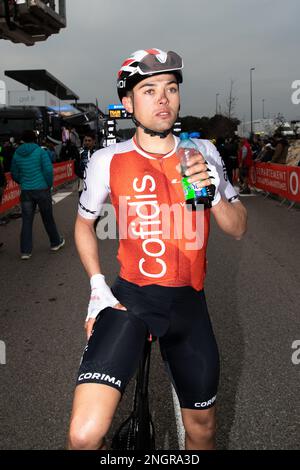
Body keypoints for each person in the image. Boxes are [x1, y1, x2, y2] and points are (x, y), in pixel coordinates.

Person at [68, 48, 247, 451]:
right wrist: (97, 288)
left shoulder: (204, 152)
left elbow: (237, 229)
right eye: (149, 90)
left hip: (189, 306)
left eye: (170, 88)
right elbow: (82, 225)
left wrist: (212, 190)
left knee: (202, 430)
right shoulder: (106, 159)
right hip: (131, 301)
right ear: (129, 103)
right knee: (84, 435)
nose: (163, 98)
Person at [10, 130, 65, 259]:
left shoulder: (17, 154)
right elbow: (48, 170)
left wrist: (22, 181)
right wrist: (48, 184)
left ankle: (25, 251)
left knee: (27, 221)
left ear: (22, 139)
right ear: (35, 139)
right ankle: (55, 242)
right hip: (41, 189)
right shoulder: (40, 152)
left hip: (26, 191)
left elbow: (14, 173)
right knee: (47, 218)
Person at [74, 131, 96, 197]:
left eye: (89, 140)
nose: (87, 142)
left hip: (95, 183)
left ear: (94, 141)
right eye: (85, 140)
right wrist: (83, 176)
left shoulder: (98, 152)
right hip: (82, 182)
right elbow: (76, 167)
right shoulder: (80, 152)